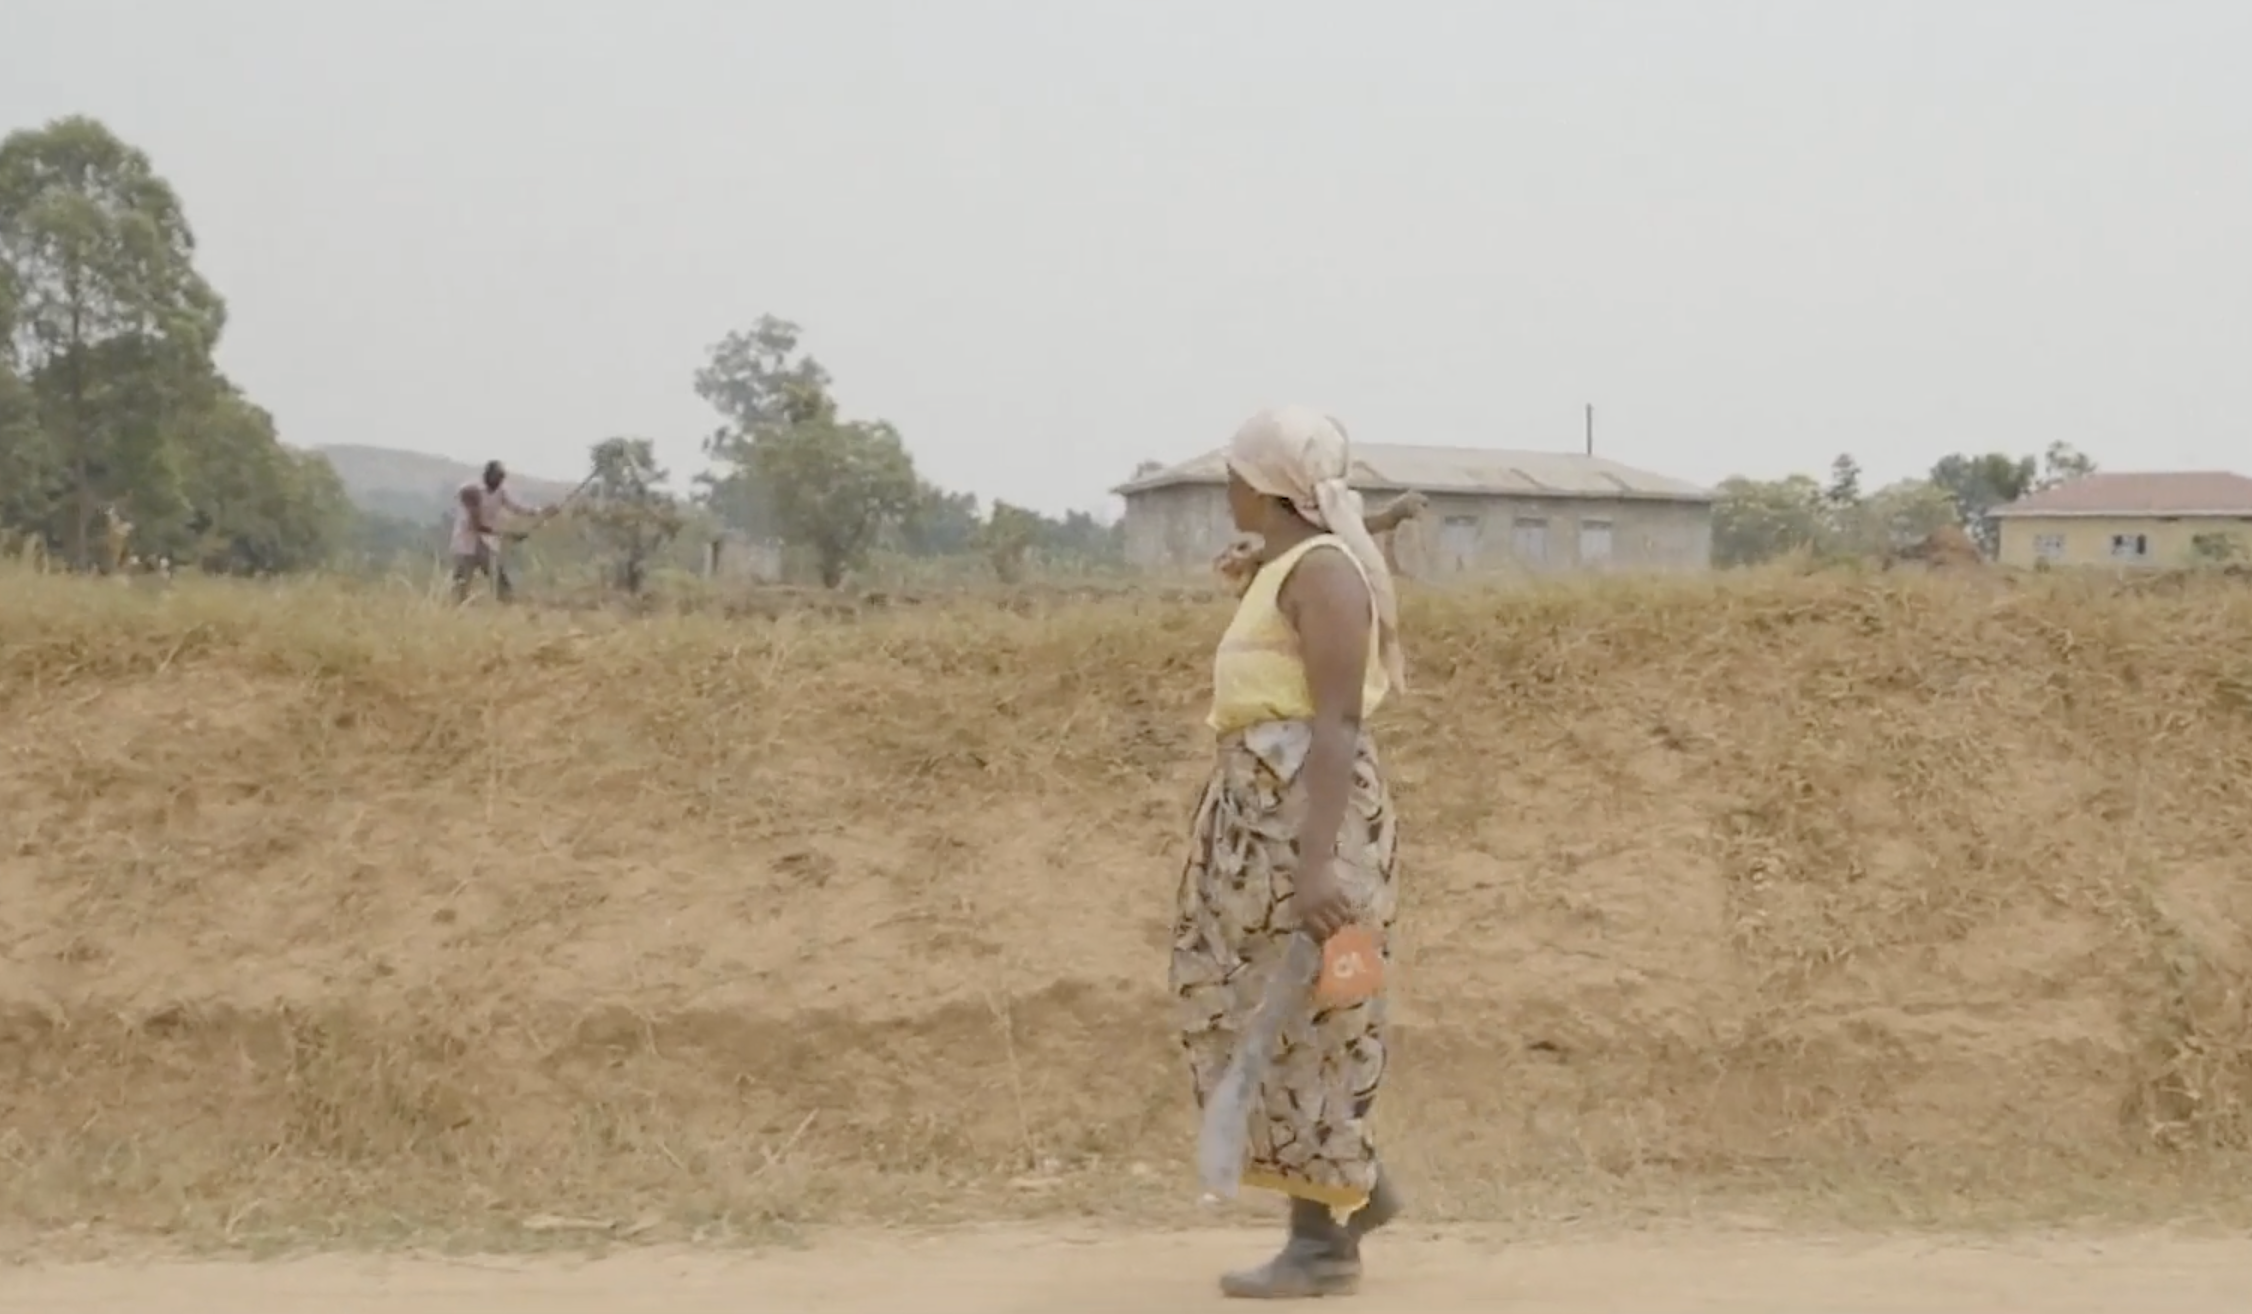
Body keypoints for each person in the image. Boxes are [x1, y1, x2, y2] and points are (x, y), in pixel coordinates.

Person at [1172, 405, 1410, 1299]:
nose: (1224, 485)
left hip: (1309, 824)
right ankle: (1355, 1188)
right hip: (1257, 824)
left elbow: (1337, 722)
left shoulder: (1324, 575)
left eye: (1233, 471)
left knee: (1309, 1019)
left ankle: (1323, 1243)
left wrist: (1318, 866)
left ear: (1263, 484)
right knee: (1234, 1002)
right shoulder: (1289, 569)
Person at [451, 460, 552, 603]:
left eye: (501, 477)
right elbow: (476, 525)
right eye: (496, 477)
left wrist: (541, 512)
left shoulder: (501, 491)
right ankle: (455, 610)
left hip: (484, 543)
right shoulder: (470, 491)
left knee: (498, 577)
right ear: (487, 475)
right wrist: (509, 535)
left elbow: (516, 507)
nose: (499, 481)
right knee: (461, 584)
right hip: (465, 542)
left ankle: (508, 605)